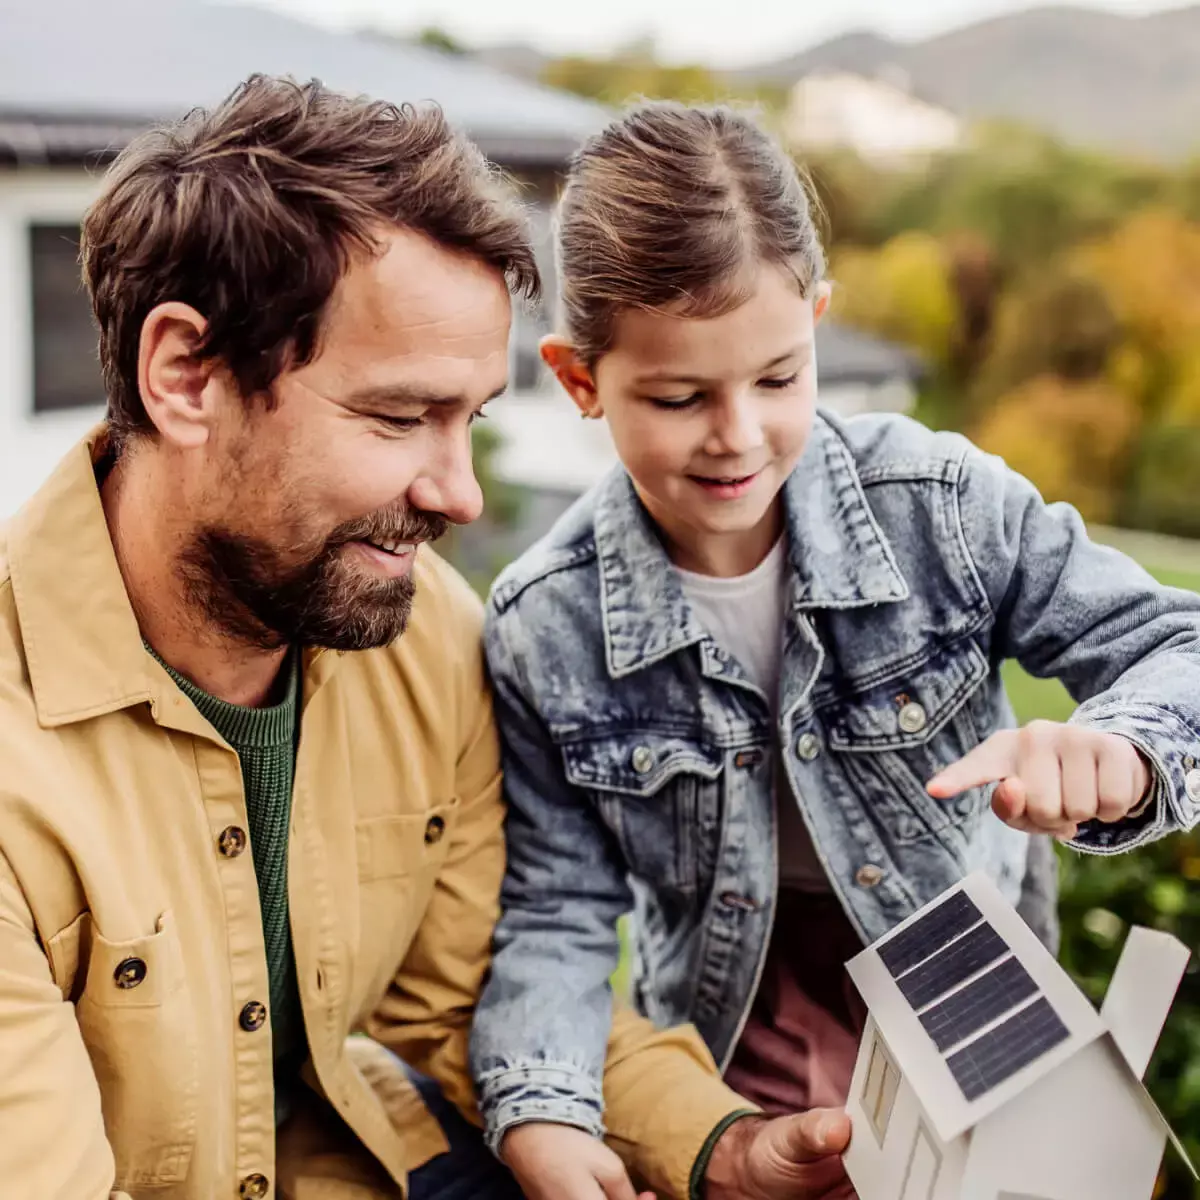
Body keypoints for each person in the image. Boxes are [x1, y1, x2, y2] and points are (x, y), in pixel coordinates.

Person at [0, 76, 846, 1200]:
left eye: (470, 420)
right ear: (187, 377)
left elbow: (471, 992)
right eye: (400, 418)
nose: (457, 494)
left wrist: (719, 1145)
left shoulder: (426, 635)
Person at [470, 100, 1200, 1199]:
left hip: (980, 1018)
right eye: (678, 397)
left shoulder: (943, 507)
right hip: (733, 1043)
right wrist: (545, 1107)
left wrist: (1125, 749)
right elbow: (556, 907)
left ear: (815, 319)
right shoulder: (544, 626)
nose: (739, 433)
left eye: (778, 378)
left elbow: (1174, 646)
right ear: (580, 381)